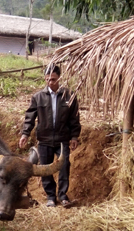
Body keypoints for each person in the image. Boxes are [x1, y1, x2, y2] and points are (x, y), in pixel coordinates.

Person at [19, 65, 81, 207]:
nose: (50, 82)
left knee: (64, 166)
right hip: (44, 139)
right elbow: (30, 117)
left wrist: (74, 137)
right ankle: (51, 197)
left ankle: (63, 196)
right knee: (45, 169)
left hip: (62, 139)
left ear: (59, 78)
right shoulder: (38, 97)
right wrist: (25, 134)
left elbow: (74, 119)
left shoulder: (69, 96)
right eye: (47, 79)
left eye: (53, 79)